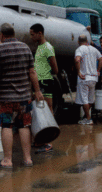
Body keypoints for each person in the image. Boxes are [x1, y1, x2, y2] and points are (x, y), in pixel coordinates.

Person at [0, 23, 44, 169]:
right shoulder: (25, 47)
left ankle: (7, 160)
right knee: (24, 126)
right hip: (24, 97)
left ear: (2, 35)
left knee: (6, 126)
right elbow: (32, 72)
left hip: (4, 98)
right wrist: (37, 91)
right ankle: (27, 159)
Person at [29, 23, 58, 154]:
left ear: (40, 33)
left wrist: (45, 74)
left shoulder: (47, 47)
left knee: (47, 109)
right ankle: (41, 139)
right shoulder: (40, 47)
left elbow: (55, 68)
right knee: (39, 111)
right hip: (39, 81)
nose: (31, 37)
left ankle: (48, 142)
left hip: (46, 81)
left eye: (32, 34)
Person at [75, 34, 102, 125]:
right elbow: (101, 59)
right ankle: (86, 116)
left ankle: (88, 118)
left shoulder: (79, 49)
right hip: (93, 77)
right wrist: (98, 70)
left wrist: (79, 72)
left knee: (84, 100)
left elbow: (77, 60)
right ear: (87, 41)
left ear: (78, 42)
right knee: (90, 99)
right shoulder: (94, 49)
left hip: (84, 78)